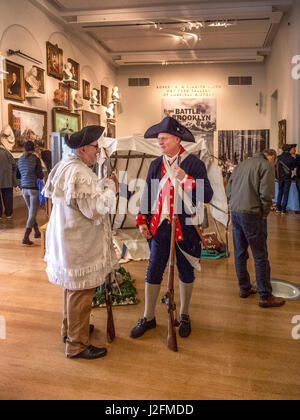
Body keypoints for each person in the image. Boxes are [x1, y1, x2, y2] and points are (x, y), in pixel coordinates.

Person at [130, 117, 213, 339]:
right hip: (160, 226)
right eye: (159, 139)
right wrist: (141, 220)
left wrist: (187, 179)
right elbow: (148, 195)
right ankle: (148, 317)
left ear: (177, 139)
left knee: (186, 270)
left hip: (186, 227)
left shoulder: (194, 164)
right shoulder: (156, 164)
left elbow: (207, 196)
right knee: (154, 269)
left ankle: (184, 314)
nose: (160, 142)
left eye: (164, 138)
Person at [42, 126, 119, 360]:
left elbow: (81, 198)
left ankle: (71, 330)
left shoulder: (66, 165)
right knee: (81, 293)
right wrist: (111, 188)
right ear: (83, 148)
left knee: (72, 290)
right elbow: (95, 210)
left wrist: (101, 186)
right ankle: (77, 344)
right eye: (96, 147)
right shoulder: (81, 173)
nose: (98, 151)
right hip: (78, 242)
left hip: (67, 238)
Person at [226, 149, 285, 308]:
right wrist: (264, 213)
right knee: (260, 255)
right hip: (252, 213)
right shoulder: (266, 165)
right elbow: (266, 194)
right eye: (275, 162)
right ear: (271, 157)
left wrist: (234, 205)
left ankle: (244, 288)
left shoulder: (241, 164)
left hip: (236, 212)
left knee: (240, 252)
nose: (274, 165)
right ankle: (265, 296)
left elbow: (229, 190)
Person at [17, 141, 44, 245]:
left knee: (30, 212)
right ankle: (25, 237)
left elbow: (18, 175)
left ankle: (36, 232)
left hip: (24, 189)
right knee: (32, 213)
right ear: (33, 149)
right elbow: (40, 175)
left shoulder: (20, 160)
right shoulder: (36, 159)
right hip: (33, 189)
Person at [276, 144, 296, 214]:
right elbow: (293, 168)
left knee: (280, 192)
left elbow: (277, 168)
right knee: (286, 193)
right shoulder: (291, 158)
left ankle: (278, 208)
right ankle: (283, 210)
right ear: (289, 149)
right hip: (287, 178)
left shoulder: (278, 157)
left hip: (280, 178)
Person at [0, 142, 17, 220]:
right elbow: (14, 165)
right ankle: (8, 214)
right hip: (7, 179)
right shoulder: (7, 153)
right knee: (8, 197)